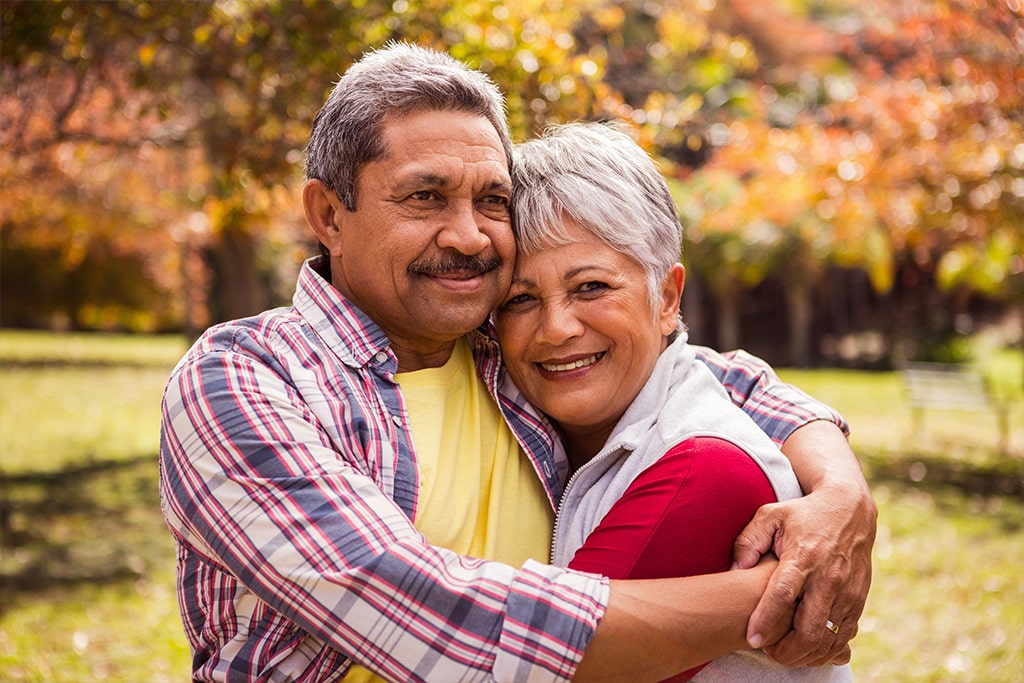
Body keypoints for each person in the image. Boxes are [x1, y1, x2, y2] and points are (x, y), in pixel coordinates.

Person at [159, 42, 876, 682]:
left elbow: (697, 372)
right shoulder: (243, 381)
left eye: (491, 200)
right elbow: (438, 624)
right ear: (328, 215)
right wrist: (779, 595)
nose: (469, 236)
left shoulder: (501, 346)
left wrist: (841, 488)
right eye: (426, 196)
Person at [495, 121, 859, 682]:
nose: (557, 327)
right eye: (520, 298)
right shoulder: (525, 410)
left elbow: (542, 667)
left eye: (591, 287)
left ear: (666, 298)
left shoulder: (703, 468)